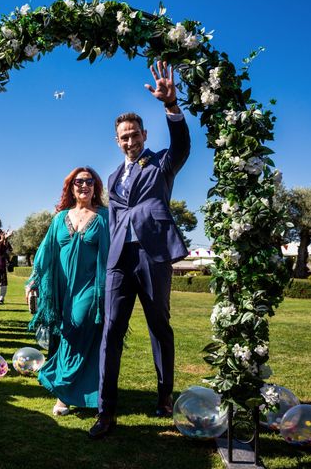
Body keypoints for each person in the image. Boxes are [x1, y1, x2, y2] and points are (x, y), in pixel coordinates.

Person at [89, 61, 191, 439]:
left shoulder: (161, 163)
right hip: (119, 261)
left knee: (159, 326)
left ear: (144, 135)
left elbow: (182, 145)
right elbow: (116, 218)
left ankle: (165, 397)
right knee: (111, 330)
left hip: (152, 256)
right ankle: (105, 412)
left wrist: (172, 107)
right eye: (123, 137)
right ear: (116, 141)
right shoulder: (113, 177)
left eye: (133, 135)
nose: (129, 141)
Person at [26, 167, 109, 416]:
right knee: (64, 334)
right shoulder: (59, 218)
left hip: (89, 287)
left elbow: (109, 255)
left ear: (96, 187)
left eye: (89, 181)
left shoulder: (105, 216)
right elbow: (45, 252)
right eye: (78, 182)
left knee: (78, 326)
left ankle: (65, 390)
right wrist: (33, 282)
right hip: (61, 288)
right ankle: (81, 394)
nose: (84, 185)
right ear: (71, 187)